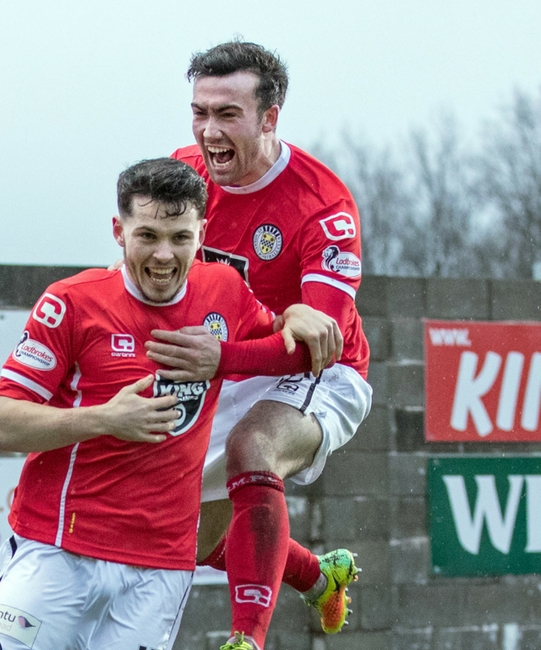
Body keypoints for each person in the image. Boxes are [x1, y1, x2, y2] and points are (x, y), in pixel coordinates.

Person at [0, 158, 337, 650]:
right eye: (148, 235)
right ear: (119, 231)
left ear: (202, 232)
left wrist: (297, 314)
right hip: (56, 551)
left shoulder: (224, 291)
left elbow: (284, 344)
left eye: (180, 237)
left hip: (158, 572)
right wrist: (105, 418)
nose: (164, 255)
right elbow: (1, 425)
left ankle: (316, 581)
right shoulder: (72, 303)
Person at [148, 41, 374, 650]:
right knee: (170, 534)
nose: (208, 132)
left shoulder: (324, 207)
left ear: (270, 118)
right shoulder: (182, 175)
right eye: (200, 112)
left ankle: (246, 641)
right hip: (230, 364)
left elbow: (314, 348)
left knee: (254, 447)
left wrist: (223, 357)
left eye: (228, 115)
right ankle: (316, 575)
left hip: (322, 373)